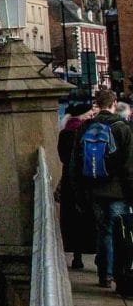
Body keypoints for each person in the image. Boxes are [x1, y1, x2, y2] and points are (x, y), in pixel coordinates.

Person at [70, 88, 133, 289]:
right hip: (118, 191)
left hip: (93, 189)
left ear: (97, 103)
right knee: (120, 233)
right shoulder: (122, 128)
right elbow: (129, 166)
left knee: (103, 231)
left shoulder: (85, 127)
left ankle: (104, 275)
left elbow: (75, 164)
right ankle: (120, 275)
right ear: (114, 102)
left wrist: (79, 193)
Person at [57, 101, 97, 271]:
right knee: (87, 220)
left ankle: (77, 255)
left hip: (68, 180)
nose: (91, 116)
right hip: (84, 180)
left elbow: (62, 158)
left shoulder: (65, 132)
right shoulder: (86, 132)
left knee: (72, 220)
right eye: (89, 114)